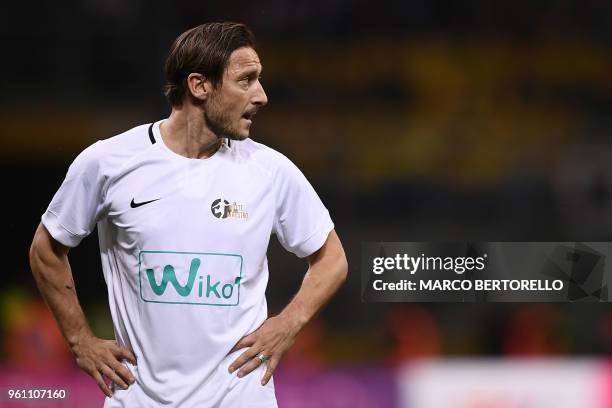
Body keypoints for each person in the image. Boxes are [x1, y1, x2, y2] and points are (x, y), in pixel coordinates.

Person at [29, 22, 348, 407]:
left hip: (240, 396)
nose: (261, 96)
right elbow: (47, 249)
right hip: (139, 398)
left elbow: (332, 259)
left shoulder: (271, 171)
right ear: (200, 86)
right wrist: (81, 342)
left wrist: (287, 324)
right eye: (246, 80)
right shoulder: (109, 163)